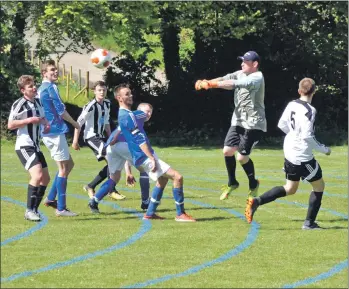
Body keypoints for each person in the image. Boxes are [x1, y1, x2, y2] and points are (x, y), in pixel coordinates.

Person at [245, 78, 331, 230]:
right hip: (302, 156)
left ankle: (257, 201)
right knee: (319, 186)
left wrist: (293, 135)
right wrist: (324, 149)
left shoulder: (292, 104)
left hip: (289, 151)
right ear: (314, 92)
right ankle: (309, 223)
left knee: (290, 188)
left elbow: (281, 124)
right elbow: (307, 137)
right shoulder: (310, 110)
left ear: (299, 91)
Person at [115, 83, 196, 222]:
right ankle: (180, 214)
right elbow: (139, 139)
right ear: (119, 98)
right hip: (143, 156)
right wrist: (151, 157)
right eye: (127, 94)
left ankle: (150, 213)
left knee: (162, 180)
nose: (131, 95)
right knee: (177, 177)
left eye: (130, 93)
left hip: (142, 156)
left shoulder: (126, 114)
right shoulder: (127, 116)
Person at [195, 51, 266, 201]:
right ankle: (232, 182)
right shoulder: (240, 73)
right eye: (242, 61)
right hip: (238, 121)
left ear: (255, 64)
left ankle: (253, 184)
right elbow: (225, 79)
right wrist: (206, 81)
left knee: (241, 157)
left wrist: (211, 85)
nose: (242, 64)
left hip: (254, 124)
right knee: (227, 151)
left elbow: (234, 84)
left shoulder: (257, 77)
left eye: (245, 62)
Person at [87, 102, 153, 214]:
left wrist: (128, 172)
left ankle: (94, 201)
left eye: (150, 111)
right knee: (144, 170)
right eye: (146, 110)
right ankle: (146, 202)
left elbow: (120, 133)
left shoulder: (130, 118)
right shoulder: (137, 115)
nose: (148, 114)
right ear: (139, 110)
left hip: (113, 147)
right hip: (120, 144)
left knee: (114, 177)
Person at [72, 80, 126, 201]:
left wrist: (111, 137)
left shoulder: (107, 103)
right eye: (99, 90)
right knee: (111, 159)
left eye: (104, 90)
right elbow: (78, 123)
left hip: (101, 137)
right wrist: (75, 141)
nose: (102, 92)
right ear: (94, 91)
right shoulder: (90, 106)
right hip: (91, 137)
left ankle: (90, 186)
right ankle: (111, 190)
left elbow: (106, 122)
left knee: (113, 161)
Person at [38, 59, 79, 217]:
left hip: (49, 131)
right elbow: (61, 111)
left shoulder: (41, 89)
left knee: (69, 164)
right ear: (44, 73)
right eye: (52, 70)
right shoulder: (50, 88)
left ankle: (50, 198)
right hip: (54, 132)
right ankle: (61, 208)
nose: (56, 72)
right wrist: (76, 124)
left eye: (56, 69)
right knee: (63, 169)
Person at [7, 75, 51, 221]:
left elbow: (42, 118)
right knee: (37, 175)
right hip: (24, 145)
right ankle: (29, 210)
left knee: (45, 178)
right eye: (30, 86)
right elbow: (10, 125)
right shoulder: (19, 104)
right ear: (22, 90)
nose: (34, 88)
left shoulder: (38, 103)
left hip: (36, 146)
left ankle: (34, 210)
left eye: (34, 85)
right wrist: (29, 120)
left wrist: (45, 124)